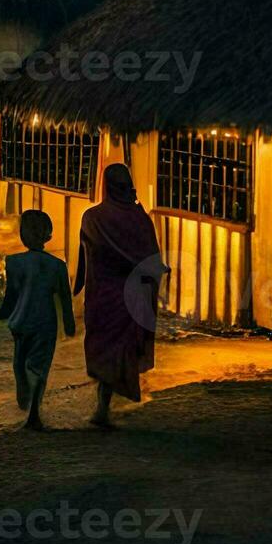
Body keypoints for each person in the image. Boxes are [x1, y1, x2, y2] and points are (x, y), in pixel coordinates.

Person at [75, 162, 168, 429]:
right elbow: (152, 259)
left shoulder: (92, 218)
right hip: (132, 296)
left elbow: (85, 258)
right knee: (122, 349)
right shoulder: (140, 219)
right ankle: (104, 407)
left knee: (103, 347)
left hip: (103, 295)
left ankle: (102, 408)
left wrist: (77, 286)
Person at [0, 209, 75, 431]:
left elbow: (11, 294)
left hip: (20, 320)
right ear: (48, 235)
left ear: (22, 235)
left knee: (19, 364)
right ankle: (34, 413)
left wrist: (1, 314)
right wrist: (69, 325)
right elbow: (65, 298)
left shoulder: (13, 262)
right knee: (40, 367)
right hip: (45, 322)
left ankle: (25, 398)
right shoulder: (58, 265)